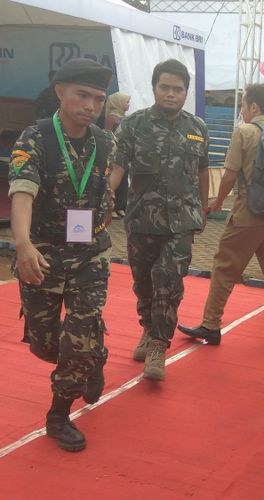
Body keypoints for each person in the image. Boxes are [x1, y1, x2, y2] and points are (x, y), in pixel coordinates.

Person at [9, 58, 115, 452]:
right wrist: (22, 245)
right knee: (44, 343)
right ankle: (96, 354)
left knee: (78, 340)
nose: (90, 106)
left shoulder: (106, 141)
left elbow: (109, 185)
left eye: (98, 99)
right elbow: (22, 191)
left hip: (91, 254)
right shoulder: (35, 138)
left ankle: (58, 414)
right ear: (60, 92)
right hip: (43, 253)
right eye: (82, 95)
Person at [177, 84, 264, 349]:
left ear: (254, 106)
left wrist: (218, 202)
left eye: (244, 105)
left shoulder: (244, 132)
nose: (242, 110)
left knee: (224, 268)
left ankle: (211, 324)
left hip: (248, 214)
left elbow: (230, 175)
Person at [109, 59, 209, 381]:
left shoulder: (197, 128)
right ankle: (148, 328)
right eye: (164, 87)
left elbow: (203, 170)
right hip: (141, 220)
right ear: (154, 88)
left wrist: (204, 208)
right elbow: (118, 167)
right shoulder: (133, 125)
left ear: (185, 93)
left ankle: (158, 345)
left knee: (169, 282)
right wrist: (105, 195)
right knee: (144, 283)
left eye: (177, 89)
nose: (170, 94)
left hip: (182, 221)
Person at [103, 92, 131, 219]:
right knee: (114, 180)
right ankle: (111, 206)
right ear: (118, 102)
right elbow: (108, 136)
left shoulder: (126, 118)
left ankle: (120, 206)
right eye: (126, 102)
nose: (128, 104)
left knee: (124, 182)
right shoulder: (111, 118)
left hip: (125, 153)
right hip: (115, 154)